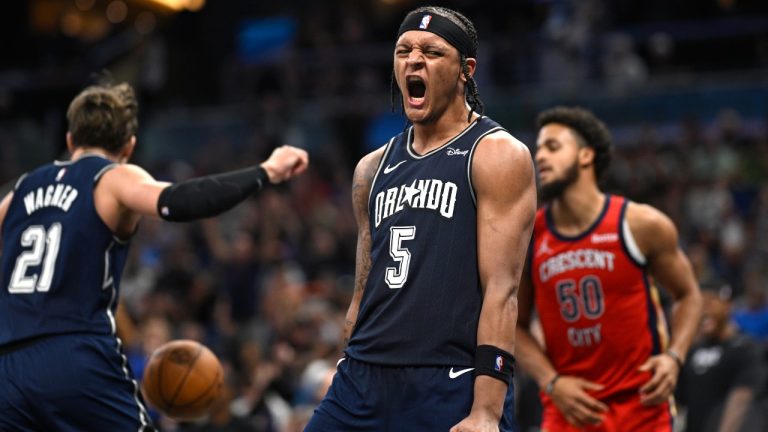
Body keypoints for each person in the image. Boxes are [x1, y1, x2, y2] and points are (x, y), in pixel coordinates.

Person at [0, 81, 308, 431]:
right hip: (75, 354)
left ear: (70, 141)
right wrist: (264, 172)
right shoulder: (112, 177)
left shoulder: (22, 189)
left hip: (8, 366)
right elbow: (180, 201)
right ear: (129, 146)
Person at [306, 6, 536, 432]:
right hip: (364, 378)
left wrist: (486, 410)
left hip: (449, 376)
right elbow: (363, 285)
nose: (413, 59)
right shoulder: (371, 168)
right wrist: (350, 356)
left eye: (431, 51)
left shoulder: (496, 154)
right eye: (404, 50)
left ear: (466, 69)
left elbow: (502, 291)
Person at [515, 106, 702, 431]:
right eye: (538, 148)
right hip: (568, 410)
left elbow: (688, 295)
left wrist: (675, 357)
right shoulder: (529, 237)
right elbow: (513, 324)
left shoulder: (641, 224)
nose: (539, 157)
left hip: (642, 406)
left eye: (553, 147)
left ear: (586, 155)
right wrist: (551, 382)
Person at [677, 290, 767, 432]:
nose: (704, 311)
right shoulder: (692, 350)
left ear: (727, 305)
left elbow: (742, 398)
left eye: (710, 303)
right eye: (700, 305)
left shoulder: (745, 349)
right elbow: (679, 400)